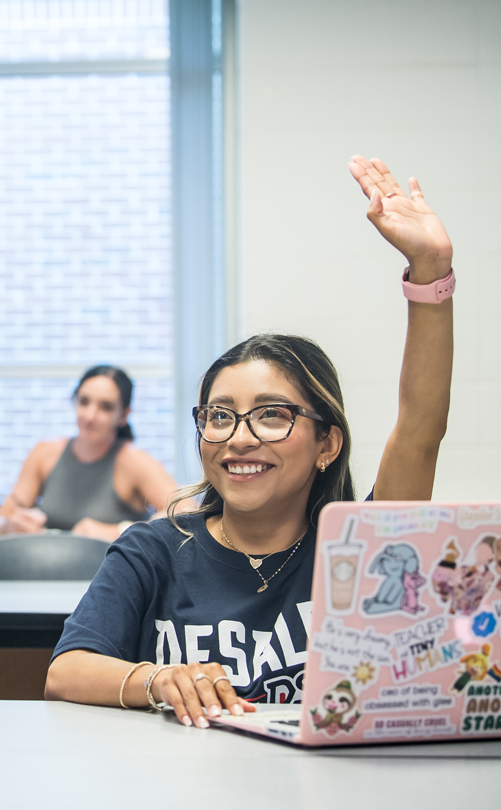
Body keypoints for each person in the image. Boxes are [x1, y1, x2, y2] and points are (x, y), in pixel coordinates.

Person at [45, 155, 454, 726]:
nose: (239, 438)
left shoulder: (359, 551)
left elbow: (420, 431)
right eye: (220, 416)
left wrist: (430, 271)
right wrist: (160, 679)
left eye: (271, 416)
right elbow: (66, 672)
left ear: (326, 444)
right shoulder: (154, 550)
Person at [0, 365, 179, 542]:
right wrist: (8, 526)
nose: (90, 416)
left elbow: (186, 514)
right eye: (84, 402)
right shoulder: (44, 453)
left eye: (105, 407)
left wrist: (118, 531)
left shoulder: (134, 461)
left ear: (123, 415)